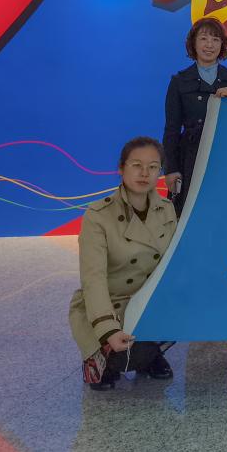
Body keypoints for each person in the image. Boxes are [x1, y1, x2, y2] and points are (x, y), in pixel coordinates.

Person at [69, 137, 179, 390]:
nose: (145, 173)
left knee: (186, 313)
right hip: (110, 303)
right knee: (118, 356)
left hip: (146, 302)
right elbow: (93, 279)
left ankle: (151, 354)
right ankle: (99, 359)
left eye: (153, 167)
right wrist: (108, 329)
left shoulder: (167, 209)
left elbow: (170, 267)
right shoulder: (98, 215)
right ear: (121, 168)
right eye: (136, 165)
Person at [163, 18, 227, 214]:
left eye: (215, 39)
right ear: (193, 43)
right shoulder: (179, 81)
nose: (209, 45)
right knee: (190, 213)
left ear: (223, 45)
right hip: (190, 159)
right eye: (203, 38)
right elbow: (171, 130)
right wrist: (170, 169)